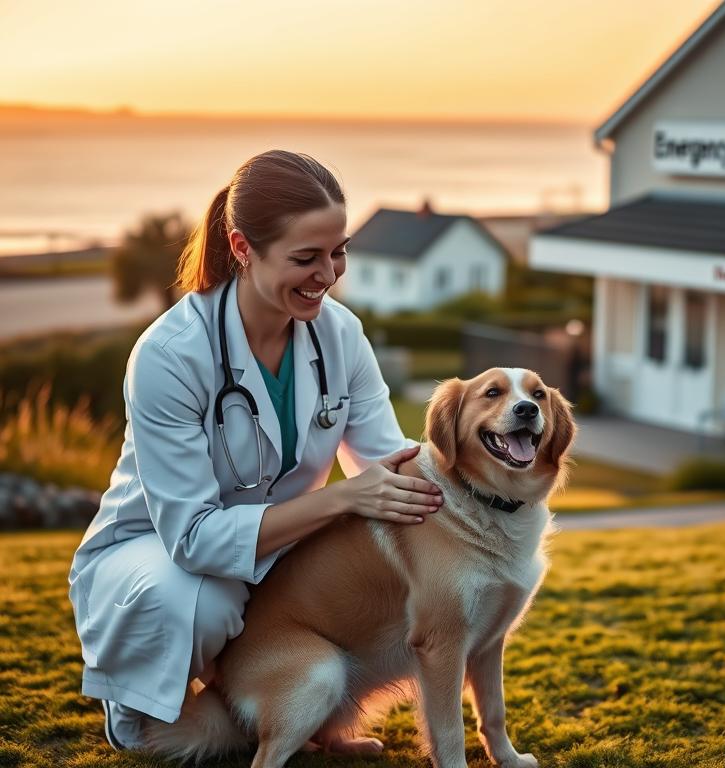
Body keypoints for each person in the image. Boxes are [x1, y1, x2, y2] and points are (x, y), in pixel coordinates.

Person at [67, 149, 444, 751]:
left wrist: (478, 468)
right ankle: (130, 704)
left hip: (278, 550)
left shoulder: (340, 334)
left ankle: (301, 712)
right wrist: (345, 498)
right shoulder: (170, 355)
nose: (329, 273)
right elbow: (193, 538)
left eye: (338, 250)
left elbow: (385, 459)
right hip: (157, 552)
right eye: (306, 257)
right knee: (203, 603)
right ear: (243, 249)